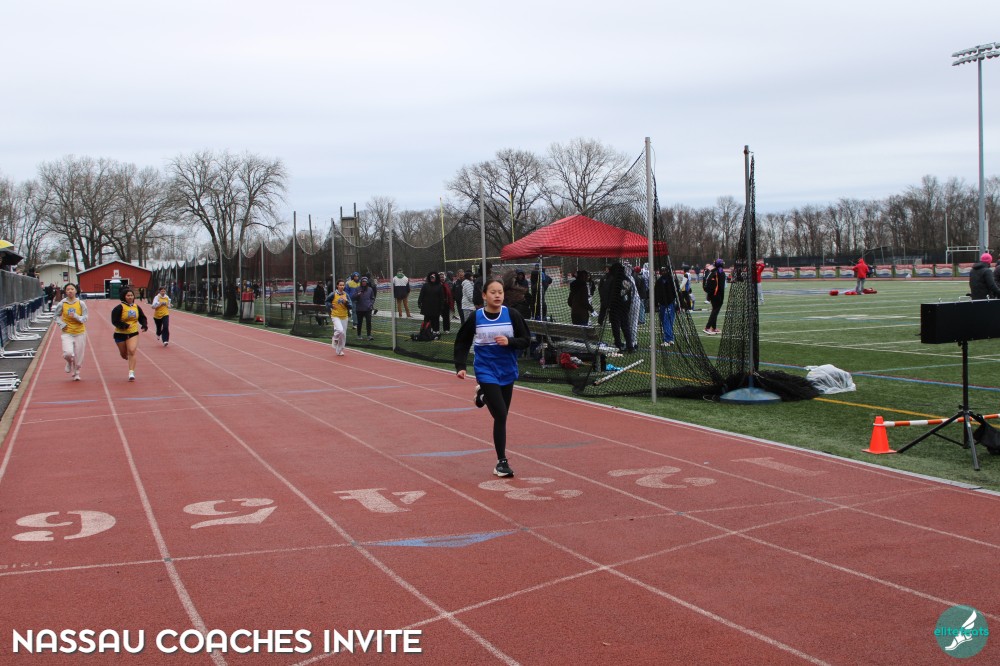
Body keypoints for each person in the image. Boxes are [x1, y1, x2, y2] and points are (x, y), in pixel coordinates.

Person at [453, 278, 531, 478]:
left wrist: (509, 341)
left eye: (500, 292)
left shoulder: (512, 315)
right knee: (501, 415)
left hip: (507, 370)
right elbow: (462, 341)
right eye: (493, 292)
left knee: (501, 414)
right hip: (486, 369)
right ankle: (501, 462)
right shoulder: (476, 317)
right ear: (484, 295)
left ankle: (483, 396)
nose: (497, 295)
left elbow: (526, 340)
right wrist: (460, 366)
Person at [111, 286, 149, 382]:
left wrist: (144, 325)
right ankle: (124, 355)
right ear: (124, 296)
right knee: (124, 354)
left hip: (133, 332)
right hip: (120, 334)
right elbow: (114, 320)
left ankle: (131, 372)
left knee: (132, 351)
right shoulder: (119, 308)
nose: (130, 297)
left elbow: (142, 317)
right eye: (128, 295)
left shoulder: (136, 307)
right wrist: (124, 325)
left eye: (131, 295)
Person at [54, 283, 88, 381]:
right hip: (67, 332)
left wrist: (76, 316)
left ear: (76, 291)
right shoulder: (62, 303)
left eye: (72, 289)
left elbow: (85, 318)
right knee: (68, 353)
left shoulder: (81, 303)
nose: (70, 291)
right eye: (68, 289)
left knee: (78, 356)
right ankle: (69, 362)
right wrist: (62, 324)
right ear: (65, 292)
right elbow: (56, 316)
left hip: (79, 332)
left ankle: (76, 373)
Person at [326, 279, 351, 356]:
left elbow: (351, 306)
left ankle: (339, 350)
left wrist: (346, 302)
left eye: (343, 285)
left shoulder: (346, 295)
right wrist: (331, 305)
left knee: (343, 335)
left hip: (344, 316)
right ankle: (335, 338)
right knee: (340, 330)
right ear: (337, 286)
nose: (342, 286)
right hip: (335, 315)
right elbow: (327, 301)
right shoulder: (333, 294)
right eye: (340, 285)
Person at [654, 266, 677, 347]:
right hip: (662, 304)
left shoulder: (672, 280)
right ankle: (670, 338)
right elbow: (656, 293)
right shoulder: (659, 281)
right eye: (662, 271)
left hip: (670, 303)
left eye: (665, 271)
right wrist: (656, 304)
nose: (663, 272)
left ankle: (667, 339)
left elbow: (676, 292)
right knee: (664, 321)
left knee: (668, 320)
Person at [703, 259, 727, 335]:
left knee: (714, 310)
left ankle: (714, 328)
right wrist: (721, 296)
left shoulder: (713, 271)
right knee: (715, 312)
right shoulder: (721, 272)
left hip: (712, 294)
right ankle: (707, 327)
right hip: (717, 295)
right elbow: (721, 286)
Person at [353, 275, 377, 340]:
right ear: (361, 282)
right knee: (359, 323)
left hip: (368, 309)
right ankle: (359, 335)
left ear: (367, 282)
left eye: (365, 281)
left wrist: (371, 304)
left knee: (368, 322)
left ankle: (369, 335)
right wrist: (357, 295)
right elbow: (353, 297)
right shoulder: (357, 289)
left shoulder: (370, 289)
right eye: (363, 281)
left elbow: (372, 298)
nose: (364, 282)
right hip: (359, 309)